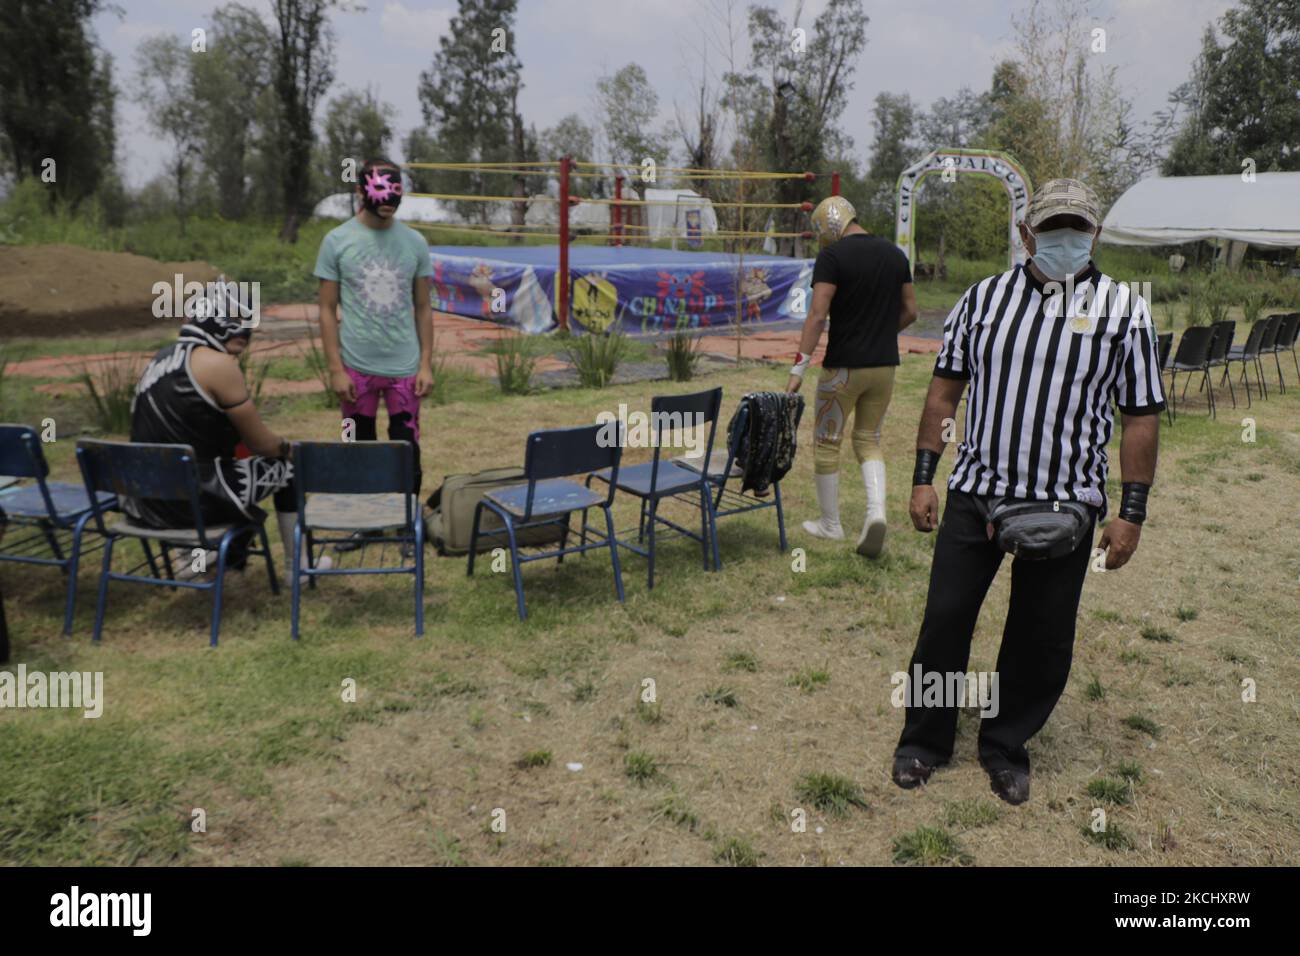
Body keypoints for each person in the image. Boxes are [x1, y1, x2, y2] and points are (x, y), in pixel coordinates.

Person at [892, 178, 1164, 805]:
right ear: (1025, 234)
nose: (1065, 239)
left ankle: (1006, 744)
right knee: (945, 621)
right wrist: (924, 475)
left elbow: (1141, 415)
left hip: (1066, 503)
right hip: (978, 493)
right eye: (1051, 228)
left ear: (1094, 234)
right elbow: (943, 393)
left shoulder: (1125, 312)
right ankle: (924, 741)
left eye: (1077, 228)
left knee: (1041, 635)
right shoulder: (982, 301)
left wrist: (1132, 512)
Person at [126, 284, 329, 578]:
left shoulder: (160, 358)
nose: (246, 330)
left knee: (228, 464)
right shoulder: (217, 364)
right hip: (194, 501)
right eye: (236, 317)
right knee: (288, 468)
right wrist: (288, 448)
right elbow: (262, 444)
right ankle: (298, 568)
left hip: (145, 498)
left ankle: (192, 557)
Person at [786, 195, 918, 557]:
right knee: (869, 439)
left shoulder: (832, 257)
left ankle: (831, 524)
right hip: (884, 367)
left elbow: (816, 315)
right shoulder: (895, 254)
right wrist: (881, 334)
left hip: (843, 368)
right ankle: (875, 514)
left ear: (828, 224)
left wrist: (798, 368)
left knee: (828, 442)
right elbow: (911, 311)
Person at [314, 157, 433, 553]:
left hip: (403, 367)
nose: (389, 206)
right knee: (357, 444)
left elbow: (423, 308)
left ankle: (403, 524)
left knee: (406, 446)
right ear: (361, 192)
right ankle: (366, 524)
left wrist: (426, 363)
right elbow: (327, 310)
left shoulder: (415, 242)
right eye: (382, 198)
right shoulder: (336, 241)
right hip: (356, 367)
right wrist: (335, 369)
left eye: (394, 199)